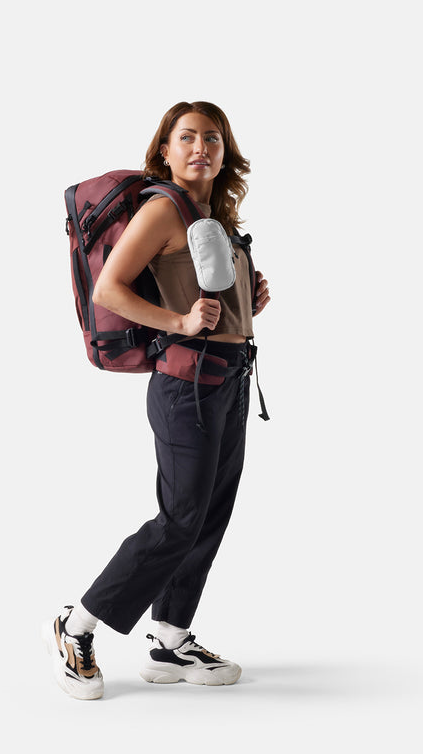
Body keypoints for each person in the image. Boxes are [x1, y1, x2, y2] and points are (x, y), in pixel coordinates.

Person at [43, 101, 271, 700]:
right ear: (164, 150)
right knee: (178, 521)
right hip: (185, 385)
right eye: (187, 137)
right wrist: (178, 318)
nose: (201, 147)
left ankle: (171, 638)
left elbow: (210, 299)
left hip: (230, 379)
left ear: (225, 151)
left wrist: (251, 296)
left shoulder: (211, 214)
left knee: (208, 515)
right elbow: (110, 290)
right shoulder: (164, 207)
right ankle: (78, 624)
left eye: (213, 138)